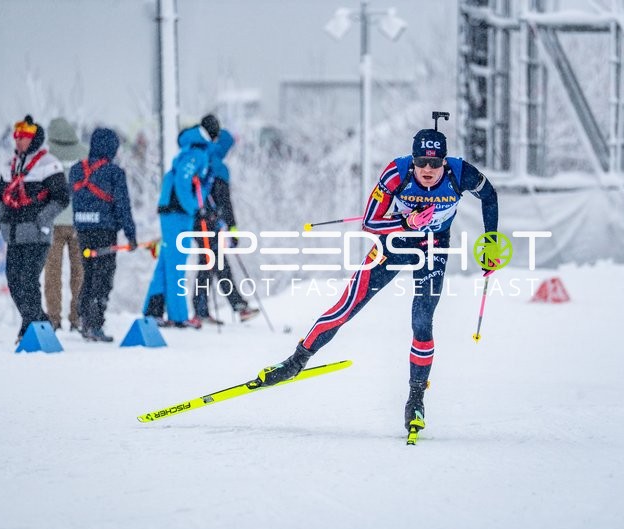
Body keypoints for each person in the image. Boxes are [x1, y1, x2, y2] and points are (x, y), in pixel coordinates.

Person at [254, 125, 499, 436]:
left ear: (444, 162)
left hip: (433, 247)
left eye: (435, 163)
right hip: (394, 244)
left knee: (422, 322)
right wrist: (406, 222)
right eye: (421, 162)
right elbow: (370, 223)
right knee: (346, 307)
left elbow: (489, 196)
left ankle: (416, 400)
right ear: (413, 160)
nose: (427, 169)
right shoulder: (397, 173)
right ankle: (295, 362)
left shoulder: (461, 173)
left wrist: (491, 242)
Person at [0, 115, 70, 342]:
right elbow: (0, 199)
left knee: (28, 281)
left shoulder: (48, 164)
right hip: (14, 235)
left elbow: (61, 198)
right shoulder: (10, 166)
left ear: (33, 139)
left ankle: (29, 328)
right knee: (14, 282)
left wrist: (41, 220)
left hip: (37, 236)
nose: (18, 141)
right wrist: (2, 223)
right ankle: (41, 322)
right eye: (16, 137)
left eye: (23, 137)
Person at [142, 117, 215, 328]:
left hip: (173, 211)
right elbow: (184, 182)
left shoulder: (192, 147)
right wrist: (195, 207)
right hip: (178, 213)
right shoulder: (197, 153)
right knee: (176, 263)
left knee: (167, 261)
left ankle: (153, 310)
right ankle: (179, 315)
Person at [70, 127, 137, 342]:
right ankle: (95, 324)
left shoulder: (77, 170)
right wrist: (131, 234)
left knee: (89, 275)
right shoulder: (114, 173)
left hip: (83, 230)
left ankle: (83, 318)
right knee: (103, 277)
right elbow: (122, 205)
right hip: (105, 232)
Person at [190, 117, 259, 324]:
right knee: (213, 262)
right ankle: (229, 307)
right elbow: (225, 203)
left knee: (211, 262)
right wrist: (233, 229)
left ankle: (214, 308)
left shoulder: (199, 155)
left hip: (197, 218)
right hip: (208, 221)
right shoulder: (218, 166)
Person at [43, 117, 88, 332]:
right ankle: (77, 316)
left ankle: (53, 317)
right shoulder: (84, 153)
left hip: (53, 222)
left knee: (52, 273)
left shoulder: (46, 155)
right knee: (79, 271)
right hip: (79, 221)